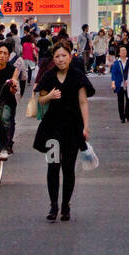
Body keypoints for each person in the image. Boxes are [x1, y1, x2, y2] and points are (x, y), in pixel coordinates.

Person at [34, 39, 90, 222]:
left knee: (68, 168)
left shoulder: (77, 75)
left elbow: (83, 102)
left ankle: (66, 204)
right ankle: (53, 205)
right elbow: (40, 100)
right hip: (52, 128)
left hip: (73, 128)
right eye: (57, 56)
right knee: (52, 166)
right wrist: (49, 95)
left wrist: (86, 126)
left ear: (70, 56)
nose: (60, 59)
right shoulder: (49, 76)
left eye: (63, 55)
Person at [110, 44, 129, 124]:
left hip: (128, 84)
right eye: (122, 51)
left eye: (125, 50)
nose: (124, 52)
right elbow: (113, 74)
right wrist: (113, 83)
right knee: (120, 101)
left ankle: (127, 114)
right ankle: (122, 117)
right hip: (119, 84)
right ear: (119, 53)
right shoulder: (116, 63)